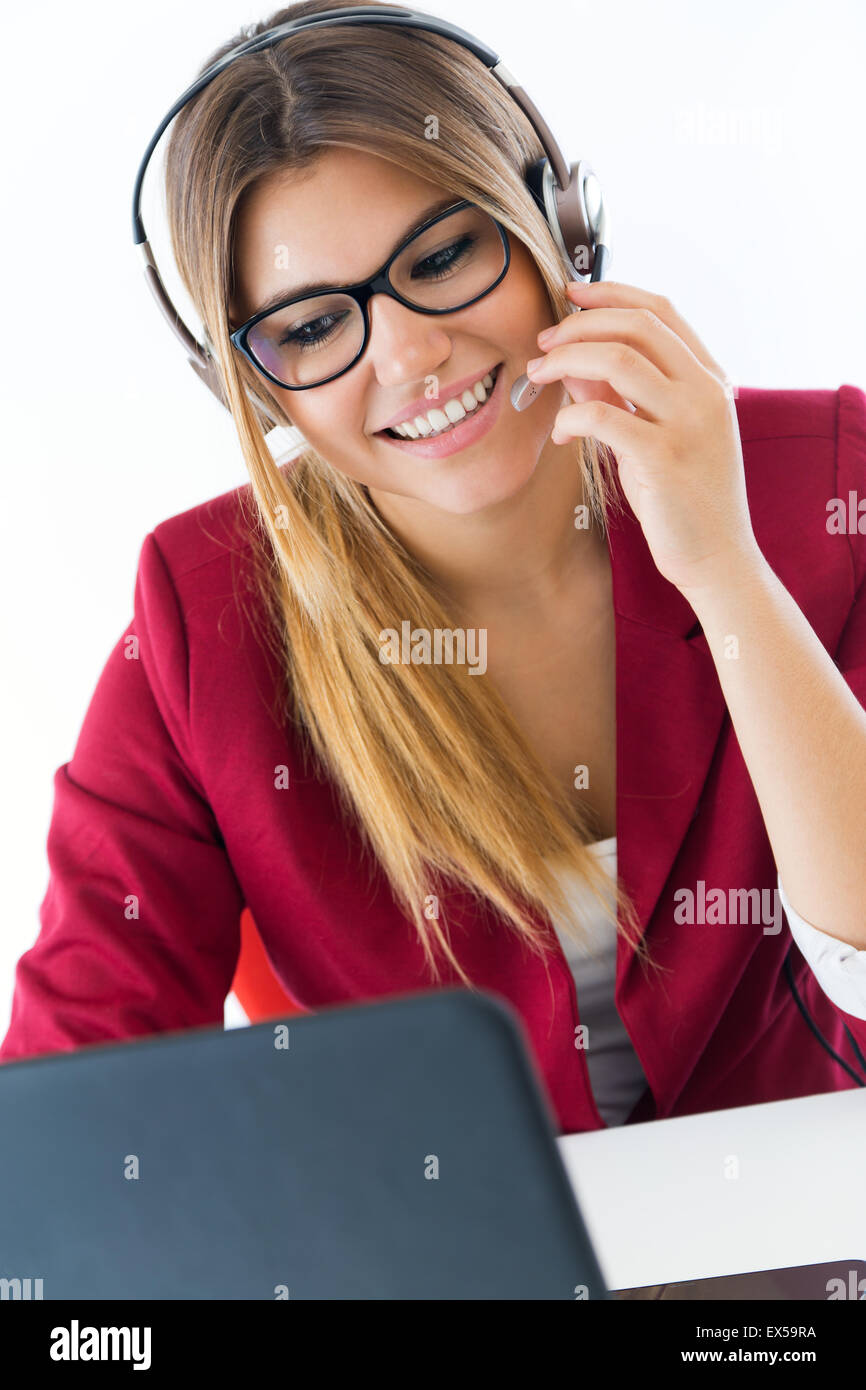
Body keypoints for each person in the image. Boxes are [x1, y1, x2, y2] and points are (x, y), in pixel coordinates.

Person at [2, 0, 866, 1138]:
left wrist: (721, 566)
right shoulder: (198, 615)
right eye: (312, 327)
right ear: (253, 384)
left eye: (445, 254)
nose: (409, 355)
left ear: (562, 223)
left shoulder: (827, 484)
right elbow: (70, 1107)